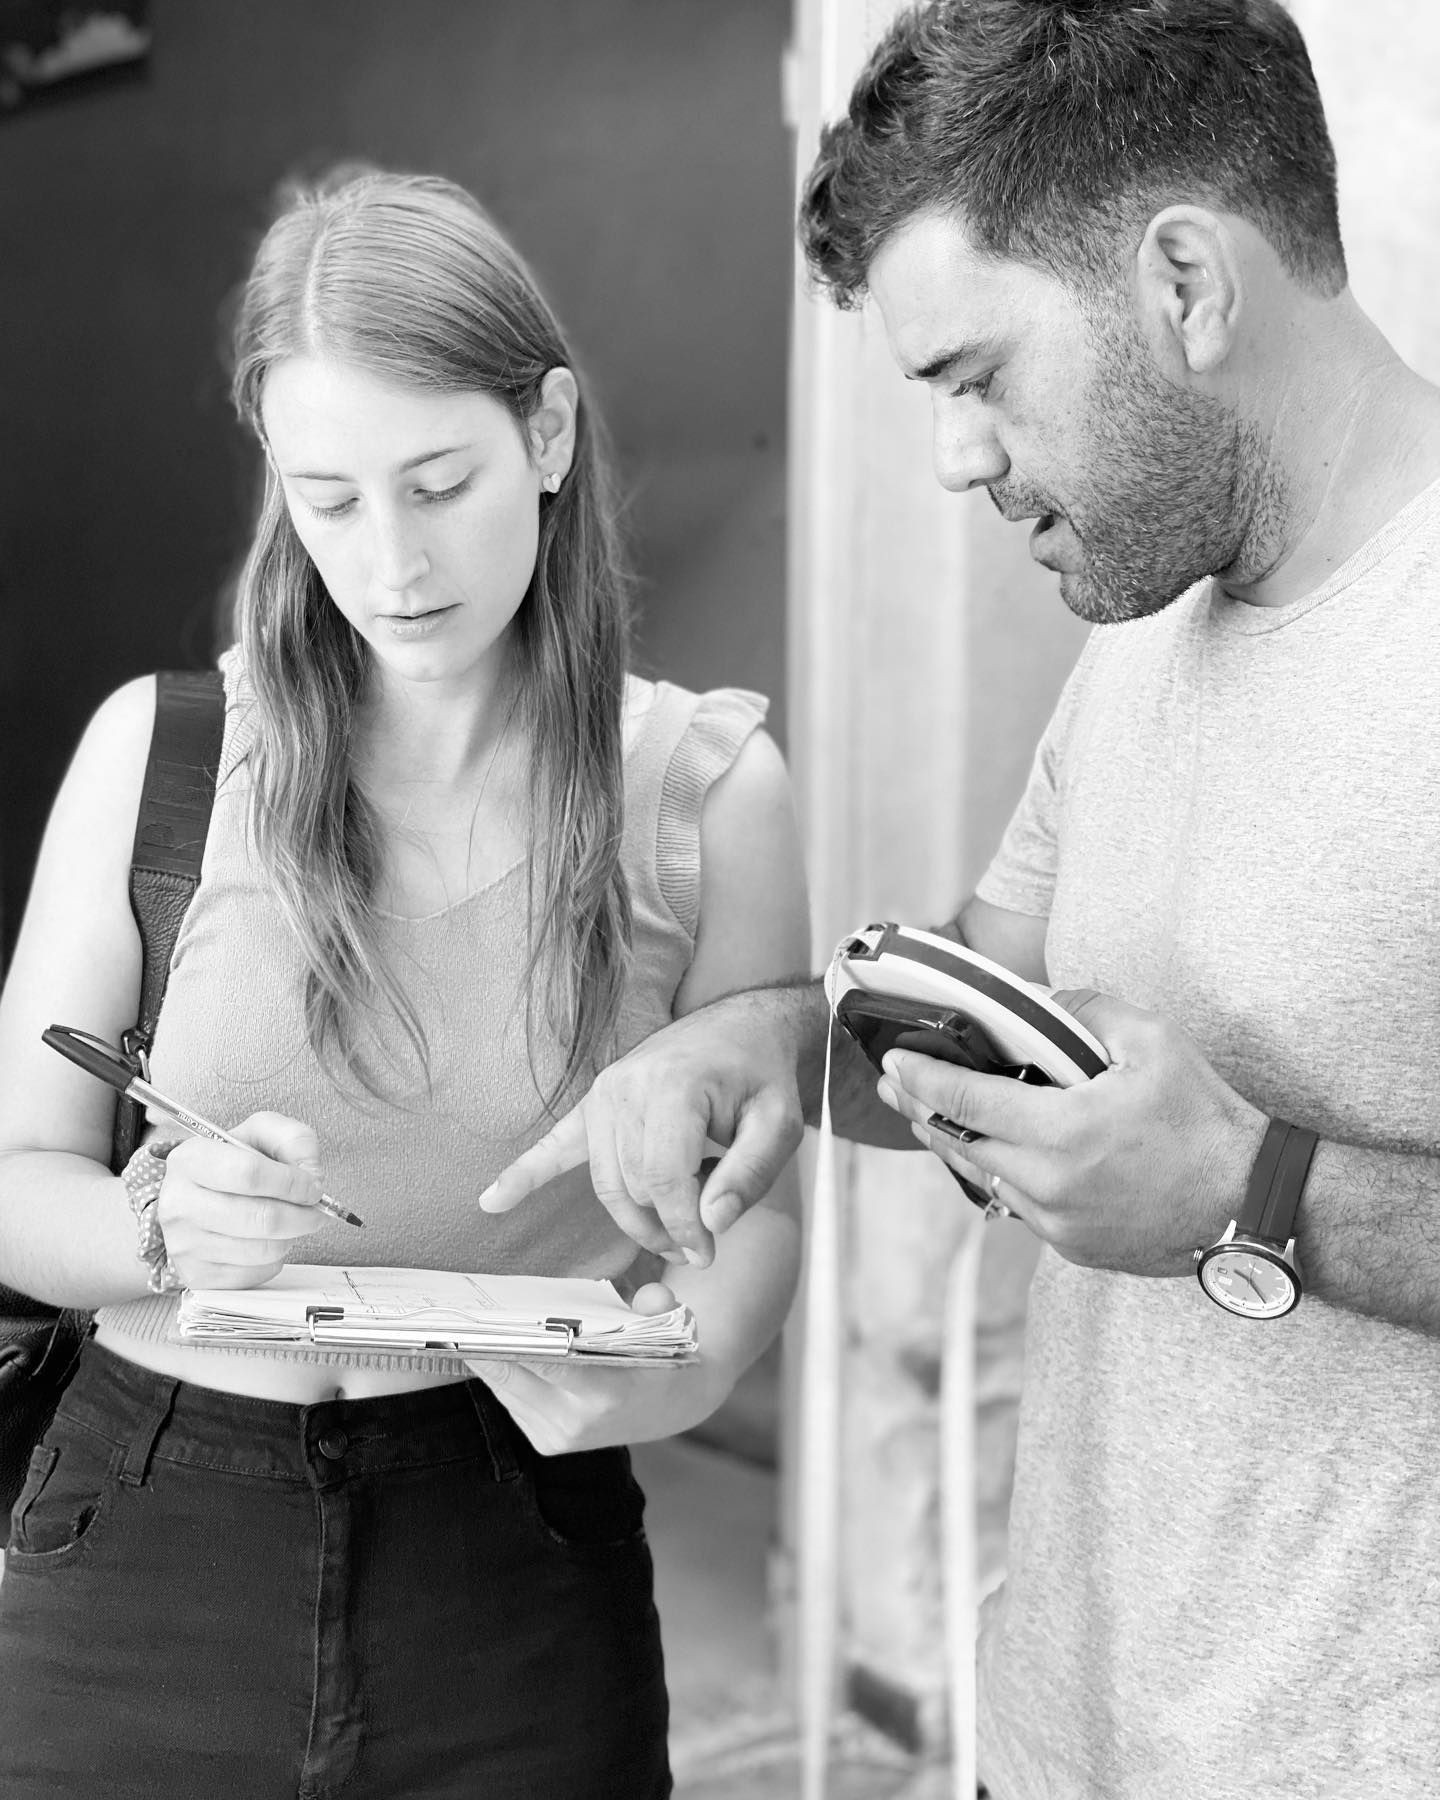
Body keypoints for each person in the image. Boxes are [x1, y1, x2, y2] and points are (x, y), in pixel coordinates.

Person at [483, 3, 1440, 1794]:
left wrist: (1256, 1192)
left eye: (979, 376)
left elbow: (1218, 1182)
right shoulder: (1146, 652)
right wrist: (760, 1051)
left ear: (1184, 282)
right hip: (1065, 1734)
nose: (957, 456)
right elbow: (967, 1012)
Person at [0, 168, 809, 1800]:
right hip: (144, 1523)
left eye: (440, 481)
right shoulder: (163, 756)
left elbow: (762, 1194)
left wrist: (698, 1360)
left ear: (553, 436)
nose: (394, 561)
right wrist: (159, 1231)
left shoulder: (711, 791)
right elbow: (15, 1186)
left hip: (516, 1544)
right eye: (331, 497)